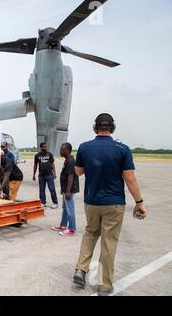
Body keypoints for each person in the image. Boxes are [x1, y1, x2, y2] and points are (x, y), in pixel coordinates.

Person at [73, 113, 147, 296]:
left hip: (91, 201)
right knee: (109, 242)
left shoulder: (84, 147)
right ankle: (104, 285)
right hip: (114, 203)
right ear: (112, 128)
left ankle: (80, 269)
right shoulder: (122, 149)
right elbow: (130, 179)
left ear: (95, 128)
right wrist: (139, 202)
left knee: (90, 233)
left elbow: (78, 171)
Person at [51, 142, 79, 236]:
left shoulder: (71, 161)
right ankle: (63, 225)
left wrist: (67, 191)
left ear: (67, 150)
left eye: (62, 149)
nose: (60, 151)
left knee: (70, 209)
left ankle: (72, 229)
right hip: (66, 189)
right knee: (65, 208)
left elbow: (70, 177)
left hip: (69, 190)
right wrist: (63, 189)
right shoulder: (67, 160)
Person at [33, 142, 58, 209]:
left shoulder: (50, 154)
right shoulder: (37, 155)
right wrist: (34, 174)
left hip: (49, 175)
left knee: (52, 189)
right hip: (41, 175)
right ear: (40, 147)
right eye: (44, 147)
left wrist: (55, 173)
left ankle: (55, 203)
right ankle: (43, 202)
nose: (45, 148)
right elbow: (35, 165)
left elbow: (52, 164)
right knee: (41, 190)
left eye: (46, 146)